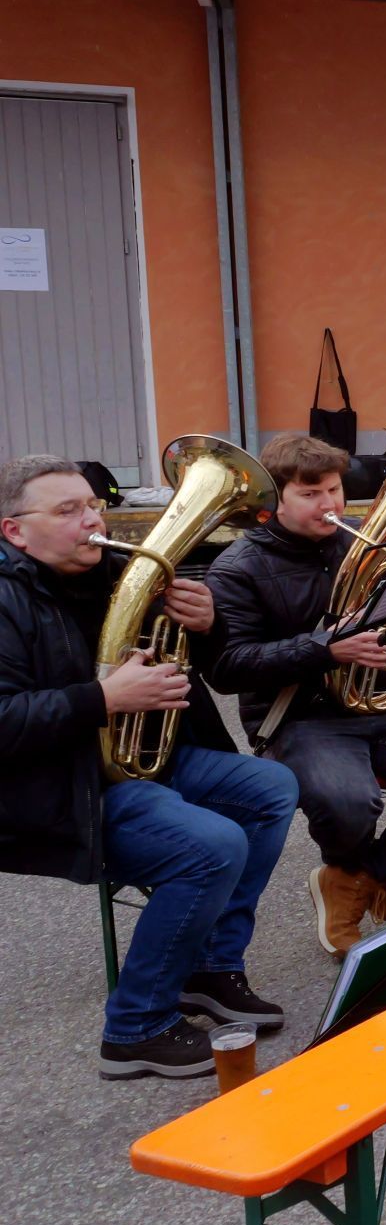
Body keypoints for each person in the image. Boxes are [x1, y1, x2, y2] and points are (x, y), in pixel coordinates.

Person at [1, 455, 297, 1080]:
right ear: (14, 532)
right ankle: (137, 1025)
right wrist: (103, 699)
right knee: (212, 844)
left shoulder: (125, 574)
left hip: (141, 763)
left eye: (92, 505)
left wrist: (208, 626)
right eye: (67, 511)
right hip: (61, 790)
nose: (92, 521)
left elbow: (212, 671)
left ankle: (211, 967)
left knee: (271, 788)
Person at [204, 433, 386, 956]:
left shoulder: (367, 542)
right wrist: (328, 649)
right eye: (311, 494)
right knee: (349, 801)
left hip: (382, 700)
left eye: (335, 490)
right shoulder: (237, 568)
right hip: (300, 714)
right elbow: (227, 669)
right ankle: (358, 875)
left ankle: (359, 876)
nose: (330, 505)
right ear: (277, 499)